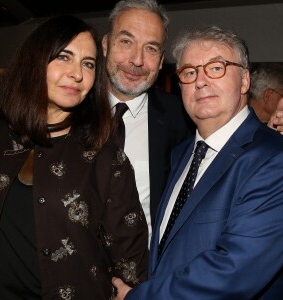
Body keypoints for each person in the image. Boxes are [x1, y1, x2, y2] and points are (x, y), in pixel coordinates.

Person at [0, 15, 148, 299]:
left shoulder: (105, 157)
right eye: (64, 57)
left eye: (88, 63)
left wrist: (135, 293)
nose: (77, 74)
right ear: (35, 60)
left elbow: (130, 253)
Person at [112, 25, 283, 299]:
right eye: (189, 72)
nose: (200, 81)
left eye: (216, 67)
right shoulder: (181, 153)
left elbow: (234, 273)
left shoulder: (274, 159)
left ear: (244, 81)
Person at [102, 0, 192, 242]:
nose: (137, 60)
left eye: (151, 48)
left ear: (161, 61)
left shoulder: (183, 118)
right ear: (105, 45)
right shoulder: (69, 110)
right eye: (126, 42)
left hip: (147, 271)